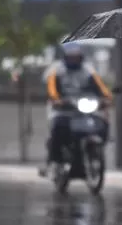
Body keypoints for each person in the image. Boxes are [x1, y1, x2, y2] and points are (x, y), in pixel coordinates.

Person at [41, 43, 113, 175]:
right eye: (71, 57)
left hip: (84, 108)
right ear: (65, 57)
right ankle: (55, 160)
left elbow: (101, 88)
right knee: (58, 127)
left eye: (76, 57)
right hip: (63, 109)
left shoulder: (88, 70)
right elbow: (52, 90)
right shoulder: (56, 70)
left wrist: (106, 98)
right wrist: (57, 100)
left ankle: (94, 151)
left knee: (101, 123)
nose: (74, 60)